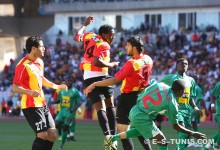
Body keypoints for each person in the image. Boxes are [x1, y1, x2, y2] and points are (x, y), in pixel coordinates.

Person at [84, 36, 153, 150]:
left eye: (128, 45)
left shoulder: (132, 63)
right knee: (139, 129)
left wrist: (95, 84)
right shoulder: (148, 59)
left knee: (123, 132)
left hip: (128, 99)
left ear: (134, 47)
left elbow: (115, 80)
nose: (126, 47)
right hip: (141, 97)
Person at [104, 80, 206, 150]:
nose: (183, 94)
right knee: (162, 141)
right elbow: (176, 126)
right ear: (180, 91)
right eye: (183, 92)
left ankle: (111, 138)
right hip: (143, 117)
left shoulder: (161, 85)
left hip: (135, 110)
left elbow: (149, 86)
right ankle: (112, 139)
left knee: (138, 131)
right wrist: (193, 133)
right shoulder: (172, 103)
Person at [12, 36, 68, 150]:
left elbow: (41, 78)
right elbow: (15, 87)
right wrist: (29, 92)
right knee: (42, 135)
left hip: (42, 103)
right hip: (30, 105)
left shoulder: (39, 62)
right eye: (42, 46)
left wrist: (56, 86)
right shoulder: (22, 65)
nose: (44, 48)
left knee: (52, 134)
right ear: (34, 48)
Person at [74, 16, 119, 148]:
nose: (113, 37)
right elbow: (97, 61)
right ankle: (113, 138)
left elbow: (76, 36)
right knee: (109, 106)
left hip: (88, 78)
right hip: (102, 77)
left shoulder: (89, 36)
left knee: (101, 109)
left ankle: (108, 137)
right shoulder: (104, 44)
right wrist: (111, 65)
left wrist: (84, 24)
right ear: (104, 35)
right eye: (112, 35)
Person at [160, 58, 202, 150]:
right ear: (176, 66)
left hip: (187, 111)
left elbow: (190, 97)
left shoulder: (191, 80)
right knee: (182, 131)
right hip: (176, 109)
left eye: (186, 64)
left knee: (187, 136)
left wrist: (195, 108)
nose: (184, 65)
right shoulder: (170, 78)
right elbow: (158, 87)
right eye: (181, 64)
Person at [51, 77, 81, 150]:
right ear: (65, 82)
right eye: (67, 81)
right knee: (55, 125)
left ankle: (62, 145)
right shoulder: (62, 91)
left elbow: (78, 103)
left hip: (70, 113)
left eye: (70, 81)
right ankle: (66, 126)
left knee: (65, 128)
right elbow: (59, 100)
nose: (68, 83)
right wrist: (54, 102)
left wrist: (73, 109)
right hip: (61, 112)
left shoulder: (75, 91)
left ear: (72, 83)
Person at [203, 82, 220, 150]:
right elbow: (212, 95)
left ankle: (206, 148)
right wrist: (212, 105)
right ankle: (216, 145)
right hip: (219, 110)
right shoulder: (219, 84)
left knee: (219, 131)